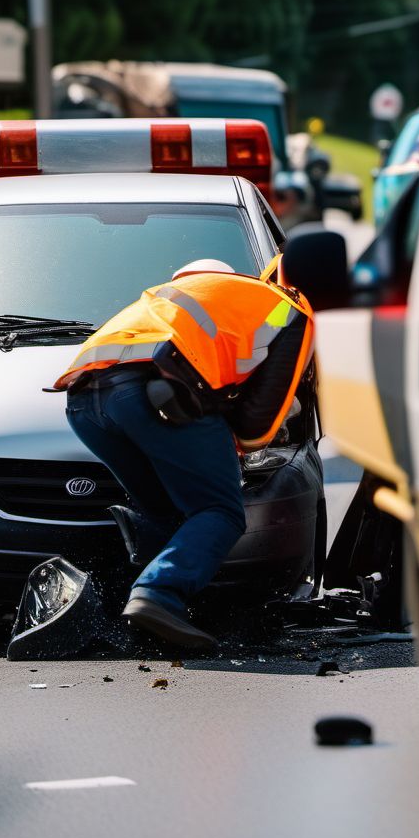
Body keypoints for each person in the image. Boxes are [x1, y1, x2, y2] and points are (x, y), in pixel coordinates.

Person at [51, 257, 314, 651]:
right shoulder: (287, 308)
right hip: (158, 391)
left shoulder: (173, 297)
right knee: (220, 512)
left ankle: (143, 612)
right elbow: (257, 425)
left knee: (167, 511)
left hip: (84, 399)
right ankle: (157, 596)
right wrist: (231, 449)